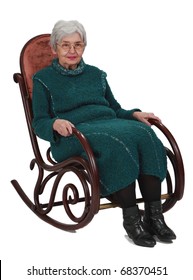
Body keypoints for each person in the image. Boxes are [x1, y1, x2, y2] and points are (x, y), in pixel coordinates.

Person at [32, 20, 176, 247]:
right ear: (54, 48)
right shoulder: (43, 80)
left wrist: (134, 114)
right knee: (116, 143)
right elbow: (38, 122)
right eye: (65, 45)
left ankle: (154, 217)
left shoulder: (96, 74)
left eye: (77, 45)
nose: (72, 51)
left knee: (144, 134)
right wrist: (54, 124)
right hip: (72, 134)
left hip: (107, 122)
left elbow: (115, 109)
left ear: (84, 47)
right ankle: (132, 221)